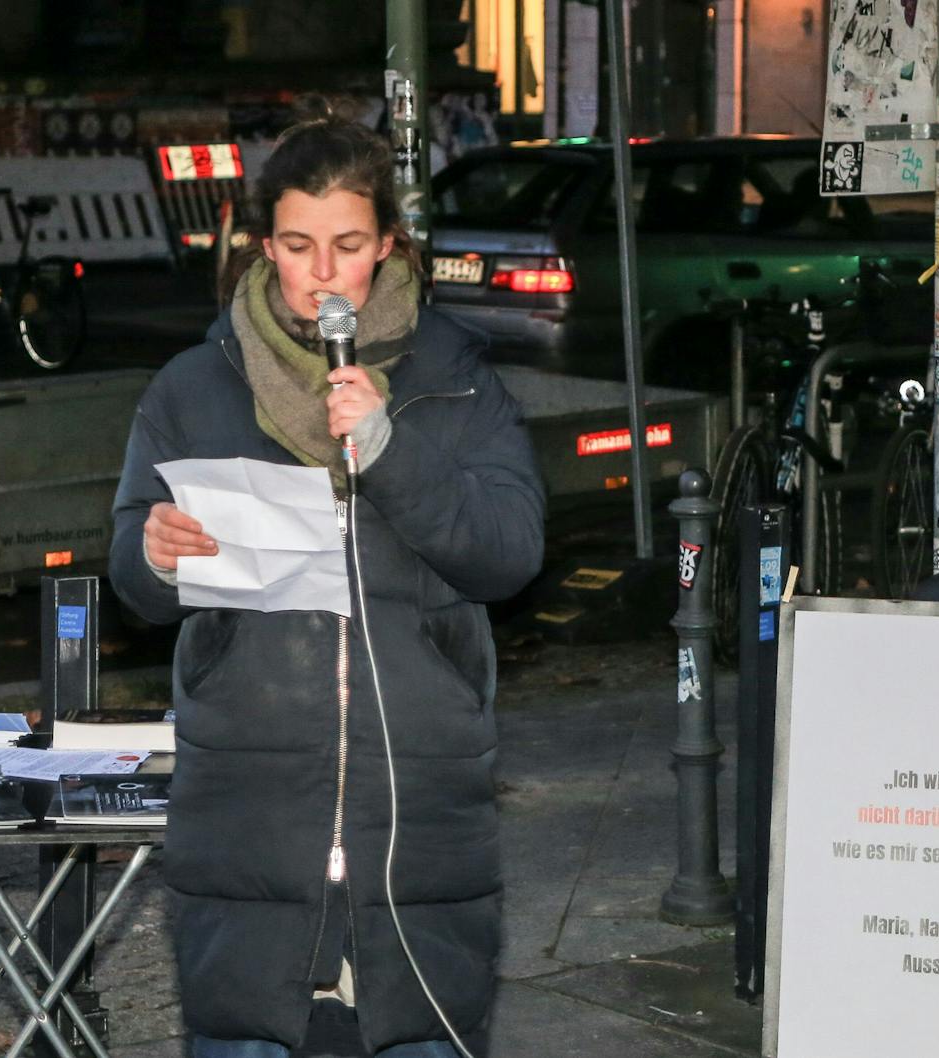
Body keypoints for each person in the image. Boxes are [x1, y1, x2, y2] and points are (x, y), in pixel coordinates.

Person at [108, 112, 544, 1057]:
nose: (320, 273)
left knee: (425, 1033)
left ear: (385, 246)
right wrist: (154, 552)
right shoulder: (193, 387)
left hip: (417, 796)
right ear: (267, 246)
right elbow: (132, 581)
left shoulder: (457, 380)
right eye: (298, 246)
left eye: (347, 246)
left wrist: (393, 450)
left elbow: (509, 552)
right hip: (248, 798)